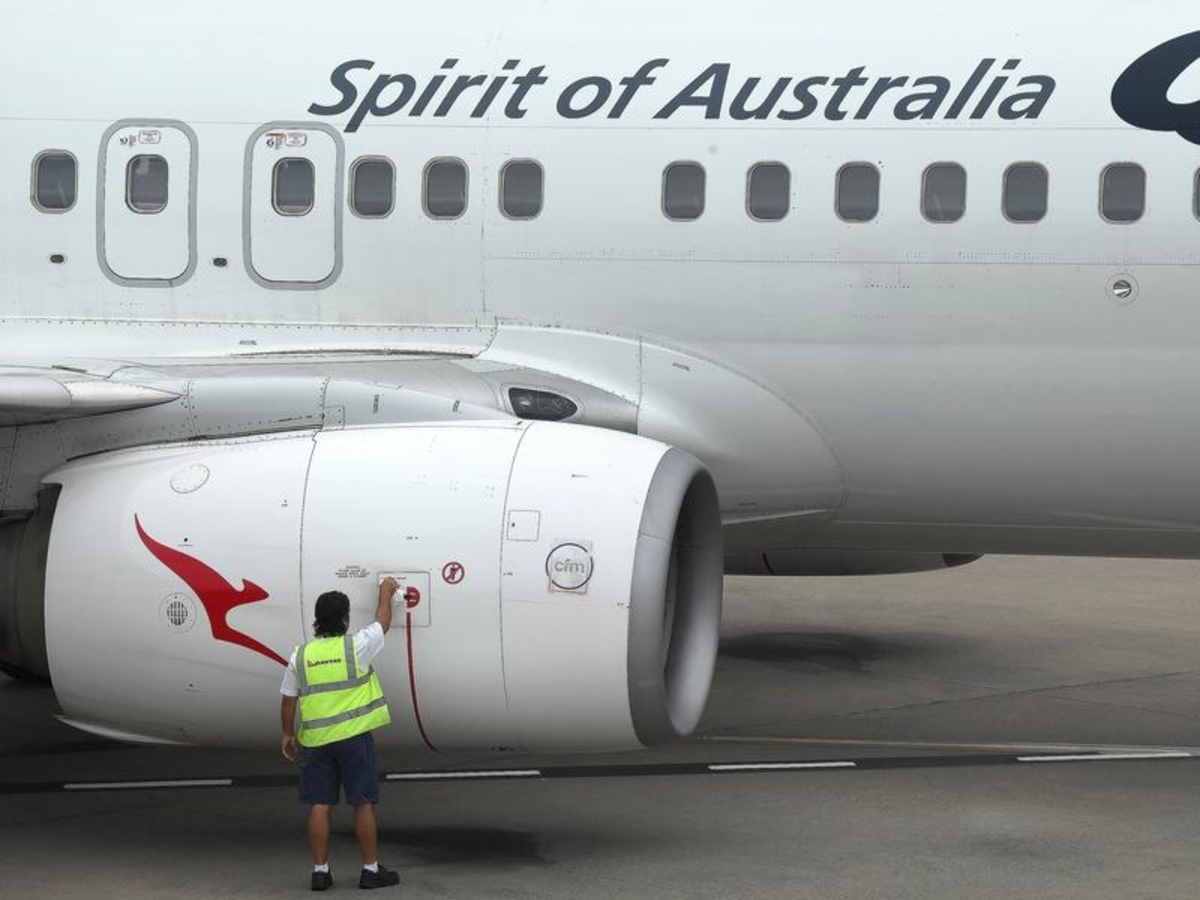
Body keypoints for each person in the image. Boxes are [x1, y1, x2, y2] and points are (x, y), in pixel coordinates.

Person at [280, 578, 403, 891]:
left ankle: (320, 872)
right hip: (354, 739)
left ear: (317, 620)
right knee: (362, 802)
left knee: (320, 804)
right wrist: (385, 593)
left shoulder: (300, 656)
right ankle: (370, 870)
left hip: (316, 742)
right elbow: (382, 622)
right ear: (346, 619)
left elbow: (288, 699)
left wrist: (287, 734)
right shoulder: (356, 647)